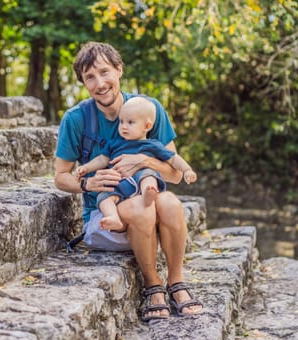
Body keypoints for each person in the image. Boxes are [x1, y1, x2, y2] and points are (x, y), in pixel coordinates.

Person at [54, 41, 203, 321]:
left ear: (119, 70)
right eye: (90, 77)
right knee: (140, 209)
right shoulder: (75, 119)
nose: (100, 83)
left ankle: (177, 282)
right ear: (83, 83)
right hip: (108, 215)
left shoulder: (148, 110)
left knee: (169, 203)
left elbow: (173, 173)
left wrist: (144, 162)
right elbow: (60, 177)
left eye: (104, 72)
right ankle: (152, 285)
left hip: (148, 202)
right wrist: (88, 183)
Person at [75, 96, 197, 232]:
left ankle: (148, 194)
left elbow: (173, 158)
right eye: (121, 122)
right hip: (120, 183)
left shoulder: (152, 145)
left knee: (148, 174)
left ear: (147, 126)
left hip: (141, 179)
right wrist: (86, 167)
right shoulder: (115, 143)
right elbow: (102, 159)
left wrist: (187, 170)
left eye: (130, 122)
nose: (124, 126)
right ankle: (113, 217)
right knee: (103, 197)